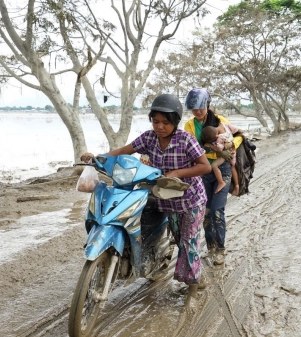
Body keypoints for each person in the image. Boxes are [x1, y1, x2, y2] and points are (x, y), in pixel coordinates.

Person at [80, 94, 211, 303]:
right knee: (179, 240)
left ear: (175, 122)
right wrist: (100, 158)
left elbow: (205, 166)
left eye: (165, 123)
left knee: (188, 244)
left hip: (190, 201)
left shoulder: (186, 139)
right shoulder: (149, 138)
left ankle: (193, 289)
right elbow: (125, 150)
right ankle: (190, 273)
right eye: (156, 121)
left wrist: (177, 173)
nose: (160, 126)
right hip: (164, 198)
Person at [183, 88, 243, 265]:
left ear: (208, 106)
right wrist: (214, 149)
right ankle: (211, 247)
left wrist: (229, 147)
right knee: (206, 212)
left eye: (200, 108)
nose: (197, 112)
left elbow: (239, 136)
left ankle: (221, 249)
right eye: (194, 109)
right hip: (202, 171)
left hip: (222, 168)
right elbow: (192, 146)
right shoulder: (189, 125)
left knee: (217, 210)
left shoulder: (220, 121)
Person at [200, 124, 242, 194]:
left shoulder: (220, 137)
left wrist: (210, 146)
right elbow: (235, 129)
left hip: (227, 154)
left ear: (216, 136)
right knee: (233, 167)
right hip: (233, 151)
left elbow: (220, 149)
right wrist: (240, 130)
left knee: (214, 166)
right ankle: (237, 185)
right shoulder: (224, 125)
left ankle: (221, 182)